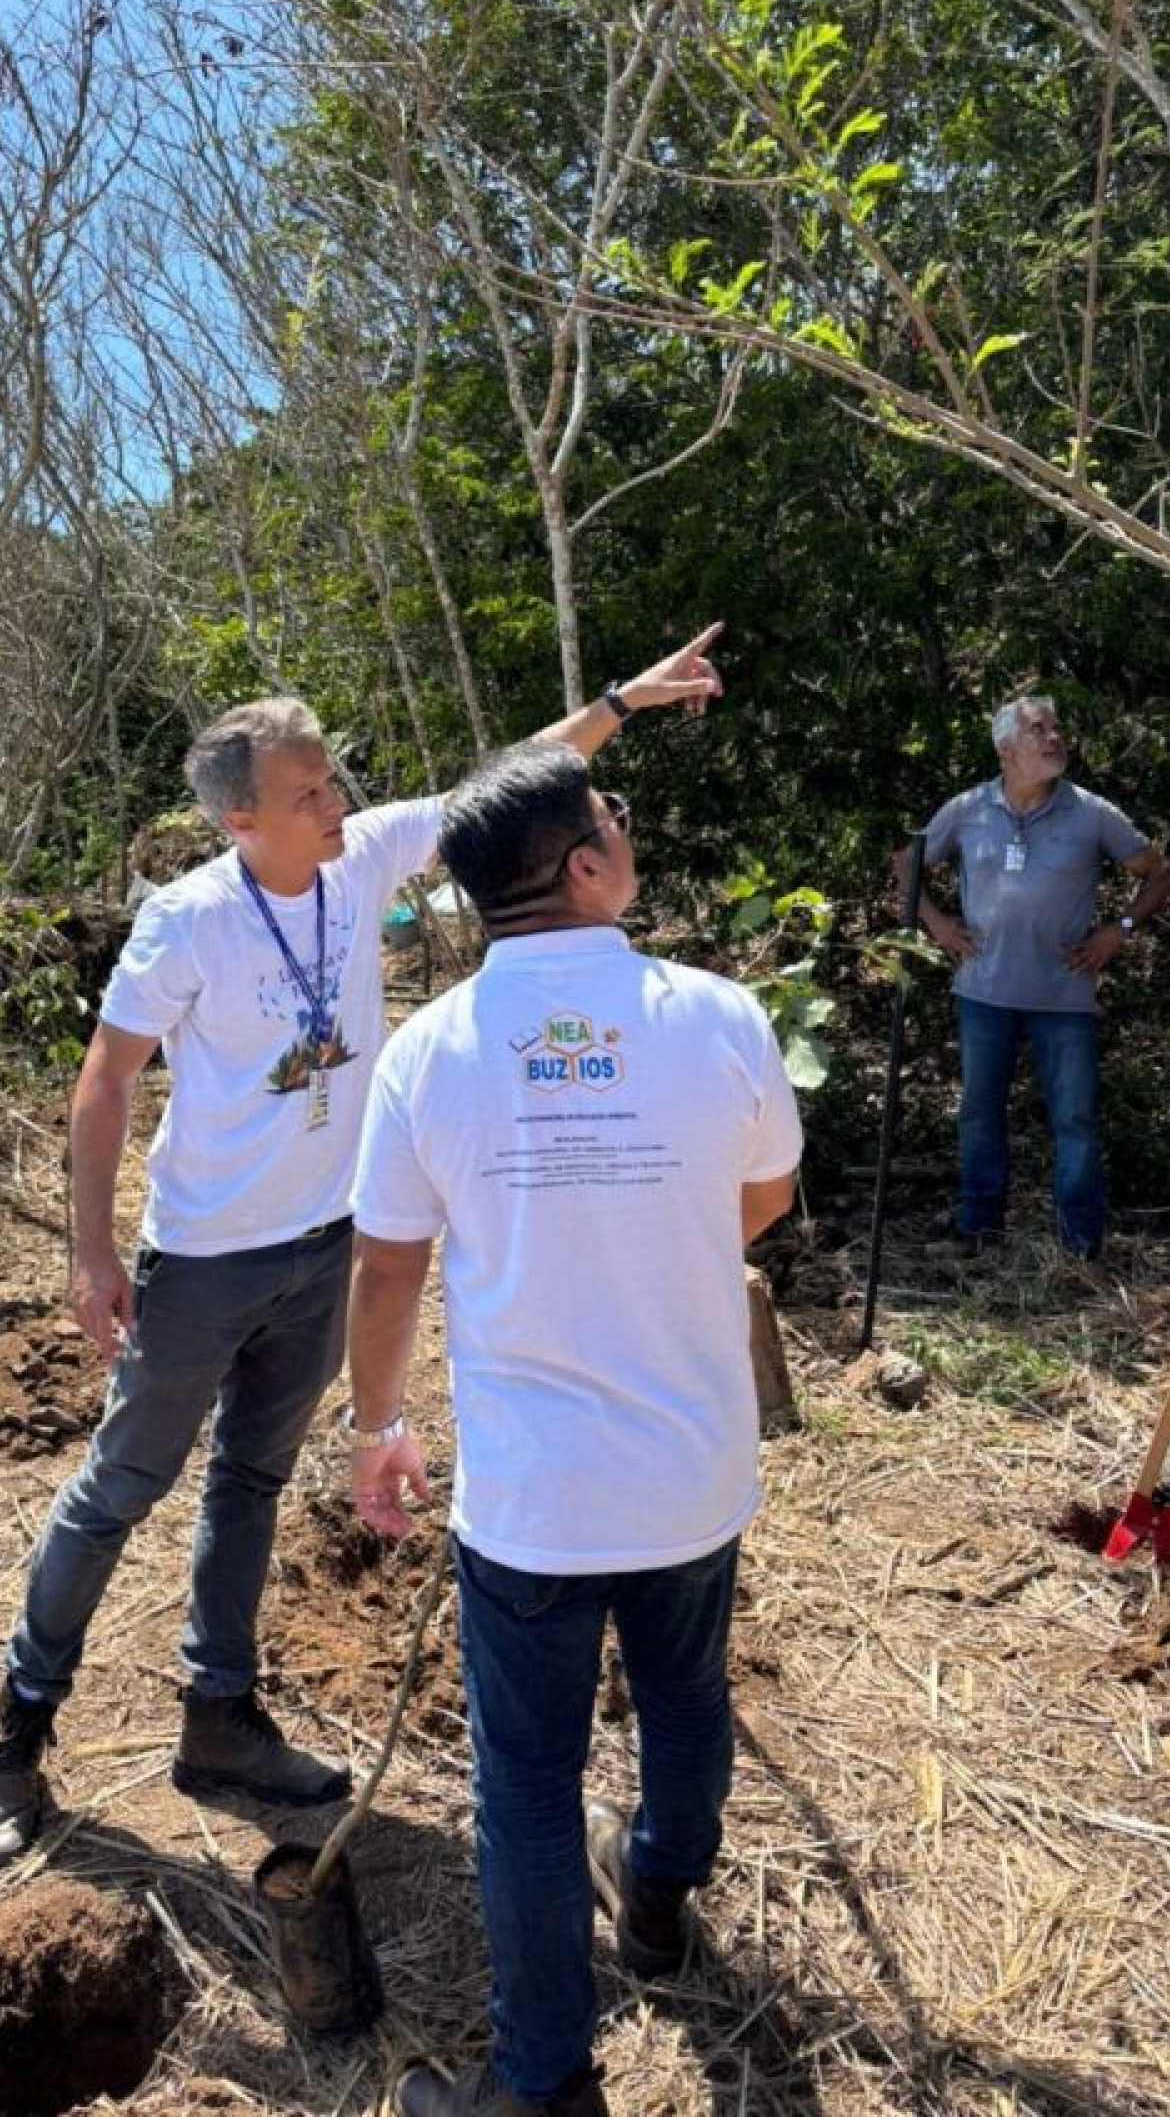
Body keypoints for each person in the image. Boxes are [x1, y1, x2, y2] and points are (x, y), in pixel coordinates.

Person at [0, 631, 728, 1872]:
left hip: (323, 1251)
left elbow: (510, 779)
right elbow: (103, 1083)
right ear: (238, 818)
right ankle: (18, 1733)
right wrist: (90, 1252)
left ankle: (219, 1718)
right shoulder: (188, 921)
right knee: (120, 1489)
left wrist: (623, 703)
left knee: (252, 1485)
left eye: (335, 781)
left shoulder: (362, 860)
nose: (340, 804)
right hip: (205, 1257)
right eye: (311, 791)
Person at [343, 742, 801, 2117]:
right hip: (689, 1472)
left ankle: (543, 2083)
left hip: (534, 1499)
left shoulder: (429, 1054)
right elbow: (766, 1194)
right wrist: (649, 1237)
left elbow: (385, 1264)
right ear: (586, 867)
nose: (623, 827)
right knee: (685, 1692)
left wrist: (380, 1423)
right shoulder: (717, 1016)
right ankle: (660, 1889)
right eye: (613, 813)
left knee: (529, 1791)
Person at [901, 694, 1170, 1261]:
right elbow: (907, 864)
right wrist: (938, 924)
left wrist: (1118, 930)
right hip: (983, 992)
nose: (1055, 738)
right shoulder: (970, 809)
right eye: (1038, 730)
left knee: (1073, 1119)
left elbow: (1161, 873)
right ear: (1007, 750)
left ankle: (1080, 1246)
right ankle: (978, 1229)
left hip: (1063, 996)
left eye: (1057, 728)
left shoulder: (1091, 814)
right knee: (979, 1111)